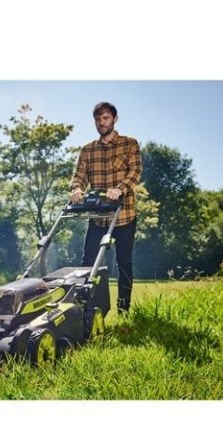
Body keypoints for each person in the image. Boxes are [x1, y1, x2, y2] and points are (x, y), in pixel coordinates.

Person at [70, 102, 142, 314]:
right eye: (97, 119)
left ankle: (123, 309)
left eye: (105, 118)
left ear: (114, 119)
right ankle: (84, 309)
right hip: (99, 218)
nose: (101, 123)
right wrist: (76, 189)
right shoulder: (87, 150)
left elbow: (135, 171)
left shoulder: (129, 144)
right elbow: (79, 177)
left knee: (124, 263)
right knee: (88, 262)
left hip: (124, 215)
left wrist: (119, 189)